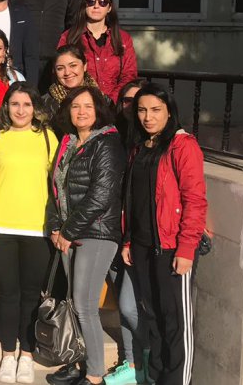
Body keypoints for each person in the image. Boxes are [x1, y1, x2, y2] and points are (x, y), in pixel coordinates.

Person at [122, 83, 208, 385]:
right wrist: (129, 240)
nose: (148, 117)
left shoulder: (183, 145)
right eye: (142, 110)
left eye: (156, 110)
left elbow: (195, 200)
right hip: (143, 246)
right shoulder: (140, 146)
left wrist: (186, 249)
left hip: (172, 248)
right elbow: (135, 199)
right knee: (153, 319)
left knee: (176, 323)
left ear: (169, 112)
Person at [45, 86, 125, 385]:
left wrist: (68, 230)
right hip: (69, 231)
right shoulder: (68, 141)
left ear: (98, 110)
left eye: (88, 106)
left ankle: (94, 375)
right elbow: (56, 188)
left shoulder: (107, 143)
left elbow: (101, 195)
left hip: (97, 232)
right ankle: (80, 363)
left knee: (85, 304)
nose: (81, 112)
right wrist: (55, 226)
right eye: (76, 106)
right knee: (75, 302)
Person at [0, 82, 56, 384]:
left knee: (31, 295)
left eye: (26, 104)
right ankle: (8, 354)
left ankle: (27, 355)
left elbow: (57, 185)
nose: (20, 110)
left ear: (35, 108)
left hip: (38, 230)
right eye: (15, 104)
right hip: (1, 229)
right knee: (8, 294)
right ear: (6, 108)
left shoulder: (48, 138)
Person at [104, 76, 150, 385]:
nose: (132, 107)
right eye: (127, 101)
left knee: (130, 305)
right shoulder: (114, 136)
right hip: (113, 230)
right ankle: (131, 365)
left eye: (138, 102)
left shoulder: (153, 142)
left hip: (138, 236)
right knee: (123, 301)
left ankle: (149, 358)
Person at [57, 0, 138, 103]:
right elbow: (63, 72)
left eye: (103, 2)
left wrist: (110, 101)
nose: (96, 6)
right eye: (91, 1)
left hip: (114, 106)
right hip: (80, 104)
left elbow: (129, 75)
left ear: (109, 8)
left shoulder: (123, 39)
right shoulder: (69, 37)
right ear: (84, 5)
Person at [41, 44, 106, 129]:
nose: (67, 73)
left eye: (73, 65)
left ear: (85, 66)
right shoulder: (45, 104)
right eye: (60, 68)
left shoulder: (102, 100)